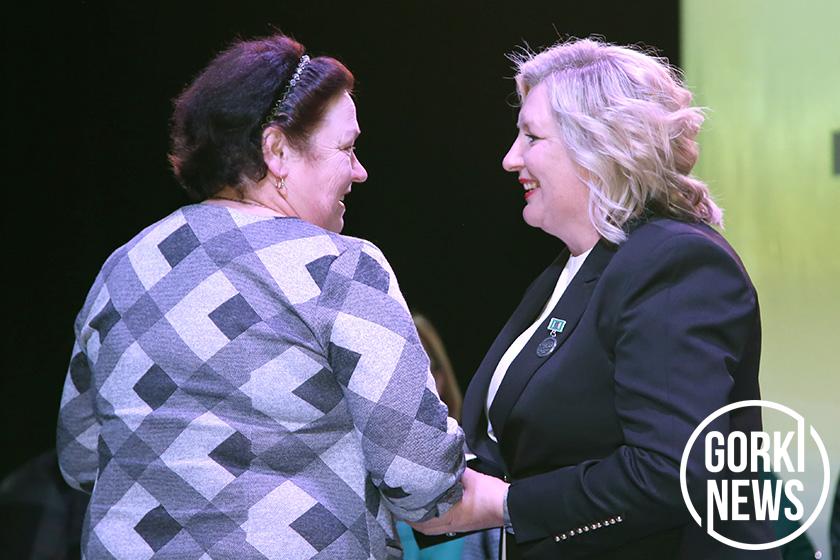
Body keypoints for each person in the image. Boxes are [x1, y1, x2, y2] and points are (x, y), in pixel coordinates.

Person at [56, 34, 465, 560]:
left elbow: (79, 457)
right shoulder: (338, 268)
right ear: (277, 150)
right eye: (347, 148)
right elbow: (421, 478)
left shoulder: (121, 269)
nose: (360, 170)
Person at [413, 38, 778, 559]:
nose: (510, 158)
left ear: (598, 148)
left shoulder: (674, 262)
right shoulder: (572, 271)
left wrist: (507, 505)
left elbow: (672, 472)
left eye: (531, 136)